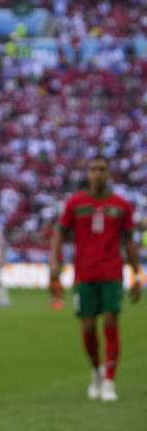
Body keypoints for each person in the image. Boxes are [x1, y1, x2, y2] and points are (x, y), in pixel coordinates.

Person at [49, 155, 141, 402]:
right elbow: (59, 233)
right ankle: (96, 371)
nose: (97, 173)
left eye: (102, 169)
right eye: (93, 169)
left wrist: (136, 274)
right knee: (88, 327)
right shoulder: (75, 202)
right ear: (87, 174)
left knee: (111, 323)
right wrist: (54, 262)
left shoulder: (121, 205)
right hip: (84, 274)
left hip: (111, 272)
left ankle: (110, 380)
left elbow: (130, 242)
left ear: (109, 173)